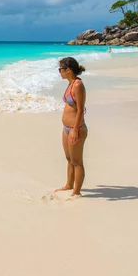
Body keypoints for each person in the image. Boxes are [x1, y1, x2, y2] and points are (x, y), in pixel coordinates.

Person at [55, 57, 88, 197]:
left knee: (77, 161)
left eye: (60, 69)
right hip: (66, 127)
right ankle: (69, 185)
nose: (59, 72)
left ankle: (76, 192)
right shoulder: (70, 84)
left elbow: (80, 109)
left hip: (77, 128)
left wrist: (75, 129)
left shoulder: (78, 85)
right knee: (69, 159)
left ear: (68, 70)